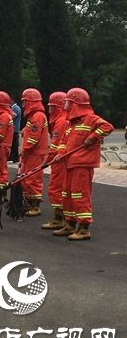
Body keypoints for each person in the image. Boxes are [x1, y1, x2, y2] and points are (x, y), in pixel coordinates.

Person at [52, 88, 113, 241]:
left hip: (82, 164)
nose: (66, 106)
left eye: (69, 103)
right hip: (70, 162)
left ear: (77, 103)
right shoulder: (72, 123)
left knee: (80, 195)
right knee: (66, 193)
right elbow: (64, 141)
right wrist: (60, 154)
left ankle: (84, 228)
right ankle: (70, 224)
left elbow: (108, 127)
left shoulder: (91, 119)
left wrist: (92, 137)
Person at [18, 88, 49, 217]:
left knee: (33, 179)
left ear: (30, 102)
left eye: (25, 102)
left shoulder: (37, 116)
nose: (23, 105)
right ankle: (29, 203)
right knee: (26, 178)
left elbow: (34, 137)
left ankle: (35, 206)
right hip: (31, 153)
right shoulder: (34, 116)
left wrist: (24, 149)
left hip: (35, 153)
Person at [41, 91, 68, 230]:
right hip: (61, 160)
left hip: (60, 161)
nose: (49, 109)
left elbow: (56, 145)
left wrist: (47, 160)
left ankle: (59, 218)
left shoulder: (61, 122)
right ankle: (62, 218)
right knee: (59, 188)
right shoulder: (62, 120)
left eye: (52, 107)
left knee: (56, 188)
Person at [9, 97, 22, 163]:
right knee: (12, 143)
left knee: (14, 144)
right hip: (12, 128)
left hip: (14, 128)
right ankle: (12, 158)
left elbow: (11, 117)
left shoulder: (16, 108)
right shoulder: (12, 108)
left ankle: (14, 158)